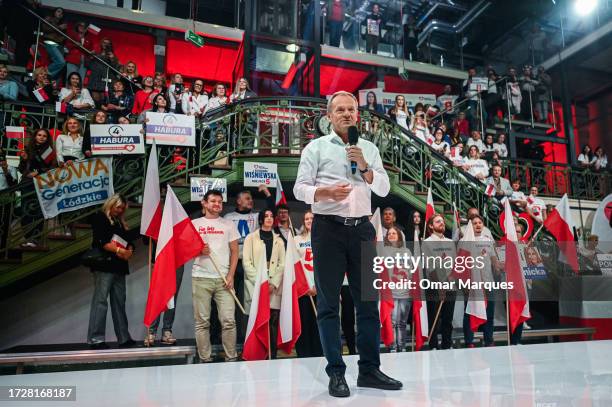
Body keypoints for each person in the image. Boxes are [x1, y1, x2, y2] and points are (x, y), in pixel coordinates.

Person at [293, 90, 401, 397]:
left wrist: (365, 168)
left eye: (351, 109)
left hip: (362, 230)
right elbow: (300, 187)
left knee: (368, 302)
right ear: (328, 116)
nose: (346, 114)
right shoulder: (315, 148)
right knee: (328, 305)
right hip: (327, 230)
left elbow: (383, 187)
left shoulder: (367, 148)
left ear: (358, 114)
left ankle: (369, 370)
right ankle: (336, 374)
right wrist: (324, 194)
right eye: (339, 109)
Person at [190, 190, 239, 362]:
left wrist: (231, 275)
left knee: (228, 321)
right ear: (204, 203)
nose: (217, 204)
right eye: (213, 201)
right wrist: (198, 250)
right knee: (202, 323)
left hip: (224, 280)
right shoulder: (194, 224)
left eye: (220, 201)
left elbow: (235, 252)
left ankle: (231, 357)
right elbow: (186, 250)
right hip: (200, 277)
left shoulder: (228, 225)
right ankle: (205, 359)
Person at [87, 194, 136, 349]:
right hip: (104, 265)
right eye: (118, 207)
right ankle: (96, 339)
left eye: (122, 208)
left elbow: (129, 241)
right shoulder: (99, 217)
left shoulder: (120, 221)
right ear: (111, 204)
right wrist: (121, 251)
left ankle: (123, 337)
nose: (120, 210)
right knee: (100, 302)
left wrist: (129, 250)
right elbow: (101, 242)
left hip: (119, 266)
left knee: (119, 302)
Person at [242, 209, 285, 359]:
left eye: (271, 216)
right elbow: (246, 263)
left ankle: (272, 355)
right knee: (257, 321)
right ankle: (257, 355)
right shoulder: (250, 238)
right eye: (266, 216)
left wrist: (272, 283)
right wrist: (261, 283)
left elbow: (282, 264)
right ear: (260, 219)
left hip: (273, 287)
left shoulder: (279, 240)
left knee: (272, 322)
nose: (269, 218)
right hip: (256, 285)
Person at [461, 215, 501, 348]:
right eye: (474, 223)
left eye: (480, 223)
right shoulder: (464, 241)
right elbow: (460, 264)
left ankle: (489, 340)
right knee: (470, 313)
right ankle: (469, 341)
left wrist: (499, 267)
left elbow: (494, 260)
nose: (478, 225)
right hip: (472, 284)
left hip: (487, 282)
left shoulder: (488, 240)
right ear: (469, 226)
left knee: (489, 313)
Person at [18, 129, 57, 247]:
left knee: (38, 211)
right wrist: (25, 162)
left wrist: (38, 172)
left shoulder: (50, 151)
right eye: (39, 135)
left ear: (47, 138)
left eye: (44, 136)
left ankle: (36, 239)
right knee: (26, 210)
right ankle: (27, 238)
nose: (41, 137)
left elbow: (49, 168)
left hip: (41, 184)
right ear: (35, 136)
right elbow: (21, 168)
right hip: (27, 183)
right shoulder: (27, 149)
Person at [423, 213, 456, 350]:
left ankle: (447, 345)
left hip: (450, 285)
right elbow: (430, 267)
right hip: (435, 285)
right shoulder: (427, 242)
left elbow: (454, 264)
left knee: (448, 319)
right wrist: (440, 286)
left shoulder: (450, 242)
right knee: (434, 319)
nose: (441, 223)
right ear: (431, 226)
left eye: (442, 221)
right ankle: (433, 346)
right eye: (438, 222)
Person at [294, 210, 323, 358]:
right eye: (307, 219)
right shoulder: (296, 239)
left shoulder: (324, 238)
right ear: (303, 222)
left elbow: (327, 265)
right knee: (304, 322)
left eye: (312, 218)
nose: (309, 221)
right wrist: (303, 286)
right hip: (303, 288)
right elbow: (294, 265)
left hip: (319, 288)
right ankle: (304, 354)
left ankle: (319, 353)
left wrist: (318, 287)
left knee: (319, 322)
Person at [384, 226, 411, 352]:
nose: (391, 235)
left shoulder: (407, 251)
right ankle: (393, 347)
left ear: (399, 235)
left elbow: (411, 271)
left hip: (405, 292)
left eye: (394, 233)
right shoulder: (383, 250)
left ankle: (402, 347)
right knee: (393, 321)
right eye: (389, 233)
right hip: (391, 292)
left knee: (402, 323)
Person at [87, 37, 120, 106]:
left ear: (110, 45)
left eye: (108, 43)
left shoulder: (112, 56)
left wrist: (112, 59)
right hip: (95, 79)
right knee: (95, 100)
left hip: (105, 80)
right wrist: (90, 57)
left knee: (104, 101)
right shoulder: (96, 54)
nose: (106, 44)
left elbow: (116, 69)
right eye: (104, 42)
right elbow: (89, 66)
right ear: (101, 44)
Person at [42, 7, 67, 81]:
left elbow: (63, 37)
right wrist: (59, 27)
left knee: (61, 64)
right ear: (54, 12)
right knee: (61, 62)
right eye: (58, 11)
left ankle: (47, 79)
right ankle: (43, 74)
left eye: (62, 13)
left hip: (59, 45)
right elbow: (45, 29)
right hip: (50, 42)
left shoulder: (63, 24)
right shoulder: (48, 19)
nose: (60, 14)